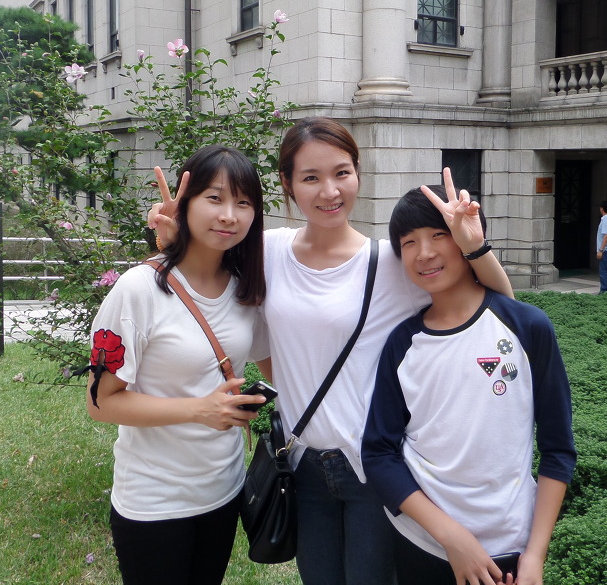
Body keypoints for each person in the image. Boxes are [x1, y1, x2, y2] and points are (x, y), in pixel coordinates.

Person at [149, 116, 514, 585]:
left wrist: (475, 247)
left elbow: (499, 310)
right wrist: (174, 237)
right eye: (310, 178)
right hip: (302, 465)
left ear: (358, 173)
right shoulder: (266, 252)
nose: (329, 191)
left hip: (375, 470)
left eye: (342, 173)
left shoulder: (390, 262)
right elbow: (204, 283)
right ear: (287, 184)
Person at [362, 186, 576, 585]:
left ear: (464, 241)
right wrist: (451, 536)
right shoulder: (402, 344)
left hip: (510, 546)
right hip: (423, 543)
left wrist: (535, 555)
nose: (424, 252)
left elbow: (558, 449)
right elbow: (378, 453)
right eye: (409, 242)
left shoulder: (527, 327)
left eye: (438, 235)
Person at [86, 144, 271, 585]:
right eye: (214, 198)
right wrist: (199, 409)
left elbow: (277, 369)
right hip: (154, 502)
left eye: (243, 203)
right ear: (185, 204)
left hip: (224, 492)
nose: (229, 215)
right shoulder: (139, 290)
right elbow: (100, 403)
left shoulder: (246, 290)